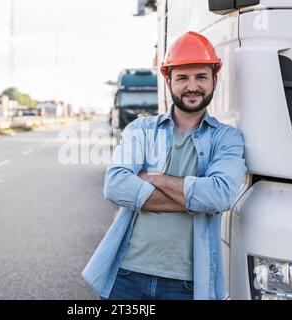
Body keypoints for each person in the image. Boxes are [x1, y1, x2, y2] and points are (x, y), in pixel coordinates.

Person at [82, 31, 247, 300]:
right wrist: (194, 198)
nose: (192, 86)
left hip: (186, 284)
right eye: (182, 77)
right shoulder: (141, 129)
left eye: (201, 77)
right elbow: (115, 186)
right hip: (126, 276)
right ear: (168, 81)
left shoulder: (227, 138)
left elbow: (220, 195)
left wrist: (153, 178)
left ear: (214, 79)